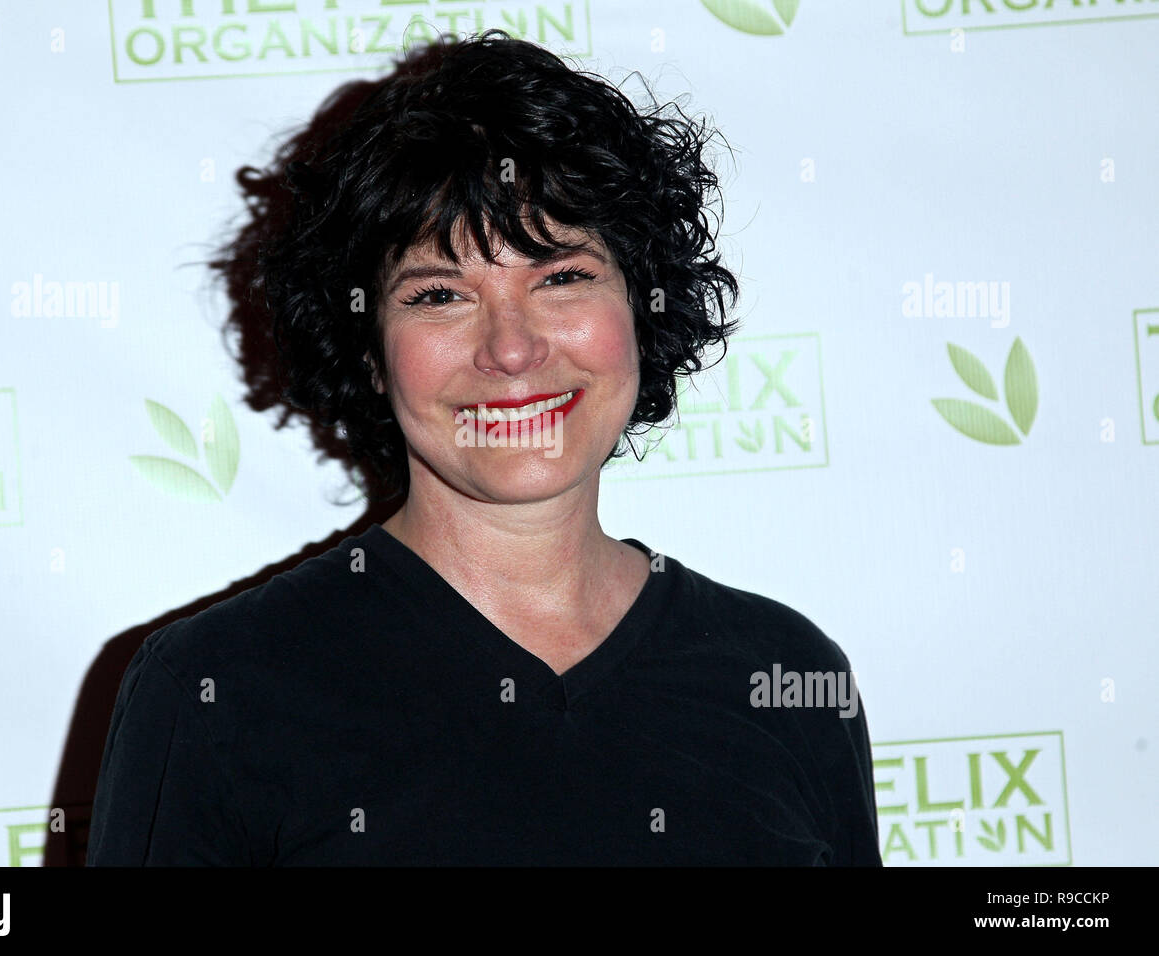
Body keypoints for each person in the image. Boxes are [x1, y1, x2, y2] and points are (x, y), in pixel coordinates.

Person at [85, 31, 881, 866]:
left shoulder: (786, 676)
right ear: (368, 348)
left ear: (642, 308)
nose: (510, 348)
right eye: (439, 294)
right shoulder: (218, 691)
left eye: (561, 276)